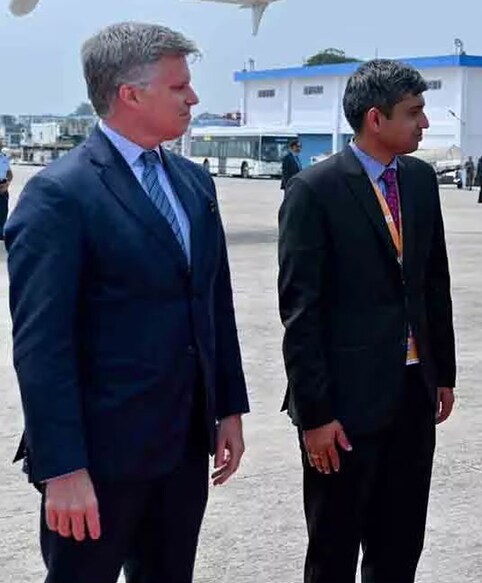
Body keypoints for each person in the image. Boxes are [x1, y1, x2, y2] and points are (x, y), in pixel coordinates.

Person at [4, 22, 249, 582]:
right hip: (98, 457)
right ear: (129, 94)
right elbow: (42, 346)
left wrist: (227, 408)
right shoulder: (60, 194)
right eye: (178, 87)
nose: (194, 98)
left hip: (181, 447)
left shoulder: (193, 184)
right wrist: (63, 468)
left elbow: (213, 303)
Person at [278, 59, 457, 583]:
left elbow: (434, 282)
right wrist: (315, 416)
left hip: (412, 394)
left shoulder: (420, 181)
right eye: (414, 112)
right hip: (344, 406)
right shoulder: (315, 190)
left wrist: (442, 373)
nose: (425, 123)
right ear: (376, 119)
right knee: (334, 550)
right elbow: (301, 312)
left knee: (399, 546)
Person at [0, 137, 11, 239]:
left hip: (3, 188)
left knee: (3, 212)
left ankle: (0, 233)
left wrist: (6, 185)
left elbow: (9, 174)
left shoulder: (3, 158)